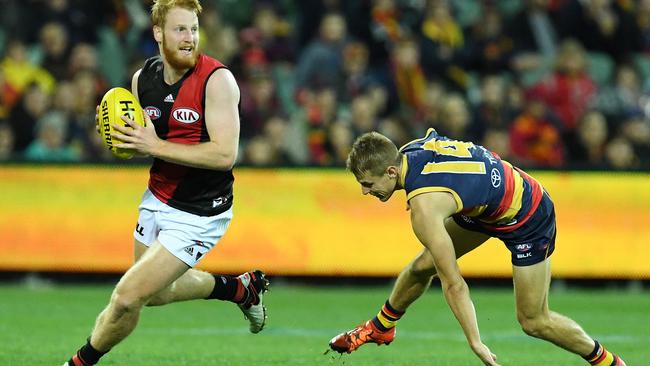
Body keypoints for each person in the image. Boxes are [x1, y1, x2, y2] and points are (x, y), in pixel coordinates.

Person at [64, 1, 269, 365]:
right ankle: (240, 289)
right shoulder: (142, 80)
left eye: (193, 29)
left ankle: (77, 363)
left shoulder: (216, 81)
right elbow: (142, 144)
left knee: (128, 297)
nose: (190, 38)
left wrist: (153, 144)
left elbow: (225, 155)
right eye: (180, 30)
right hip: (157, 198)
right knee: (156, 294)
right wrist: (118, 135)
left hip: (201, 212)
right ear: (158, 33)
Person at [328, 129, 626, 366]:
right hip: (484, 210)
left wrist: (475, 341)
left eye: (367, 183)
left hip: (529, 215)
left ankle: (608, 362)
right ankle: (381, 327)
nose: (364, 191)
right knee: (421, 268)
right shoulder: (411, 150)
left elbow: (453, 283)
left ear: (391, 172)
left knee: (534, 321)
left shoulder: (424, 208)